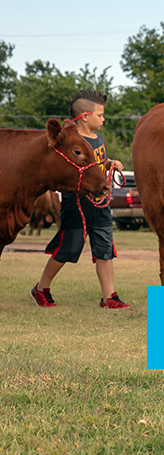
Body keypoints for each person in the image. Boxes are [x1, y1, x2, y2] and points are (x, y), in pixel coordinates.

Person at [30, 89, 132, 309]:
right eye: (100, 115)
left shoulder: (100, 139)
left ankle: (109, 297)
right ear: (85, 116)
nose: (103, 119)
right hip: (76, 204)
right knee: (68, 248)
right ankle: (41, 288)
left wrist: (110, 163)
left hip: (100, 205)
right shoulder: (69, 140)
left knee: (105, 249)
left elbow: (96, 165)